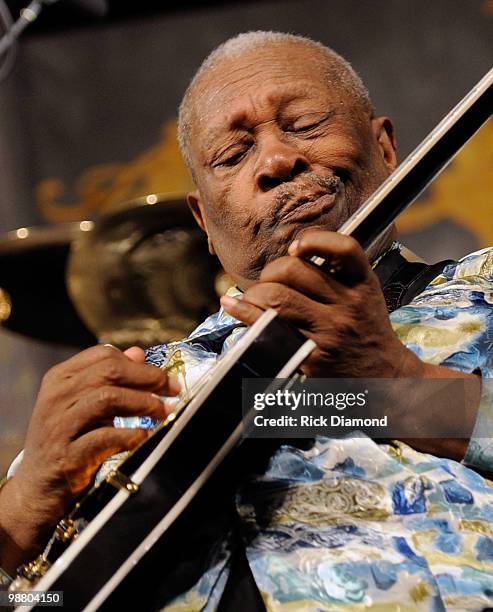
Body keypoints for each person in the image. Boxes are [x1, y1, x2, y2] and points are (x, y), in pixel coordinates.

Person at [1, 31, 493, 609]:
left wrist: (396, 384)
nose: (277, 161)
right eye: (233, 155)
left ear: (385, 147)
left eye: (305, 123)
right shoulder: (128, 392)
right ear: (204, 222)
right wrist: (18, 517)